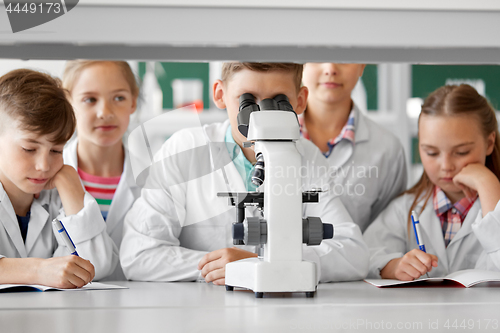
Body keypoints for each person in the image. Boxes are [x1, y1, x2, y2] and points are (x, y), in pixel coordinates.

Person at [121, 62, 369, 284]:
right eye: (247, 101)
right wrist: (228, 268)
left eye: (278, 101)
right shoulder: (186, 149)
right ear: (220, 94)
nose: (261, 114)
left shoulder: (307, 156)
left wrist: (255, 262)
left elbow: (353, 254)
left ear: (300, 101)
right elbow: (139, 254)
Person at [364, 84, 500, 280]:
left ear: (489, 143)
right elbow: (365, 255)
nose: (446, 165)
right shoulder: (404, 209)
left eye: (461, 152)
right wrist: (393, 267)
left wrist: (489, 185)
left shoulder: (492, 191)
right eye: (432, 152)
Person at [0, 69, 117, 288]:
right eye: (29, 148)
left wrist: (71, 185)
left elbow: (98, 266)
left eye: (56, 151)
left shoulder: (56, 195)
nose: (44, 166)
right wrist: (38, 270)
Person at [301, 63, 407, 232]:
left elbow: (385, 238)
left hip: (356, 259)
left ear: (361, 66)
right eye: (318, 58)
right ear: (301, 64)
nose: (330, 69)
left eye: (343, 59)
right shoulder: (269, 140)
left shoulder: (388, 150)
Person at [62, 60, 141, 281]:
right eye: (90, 99)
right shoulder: (46, 176)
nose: (104, 112)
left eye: (119, 98)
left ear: (133, 101)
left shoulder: (154, 181)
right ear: (67, 101)